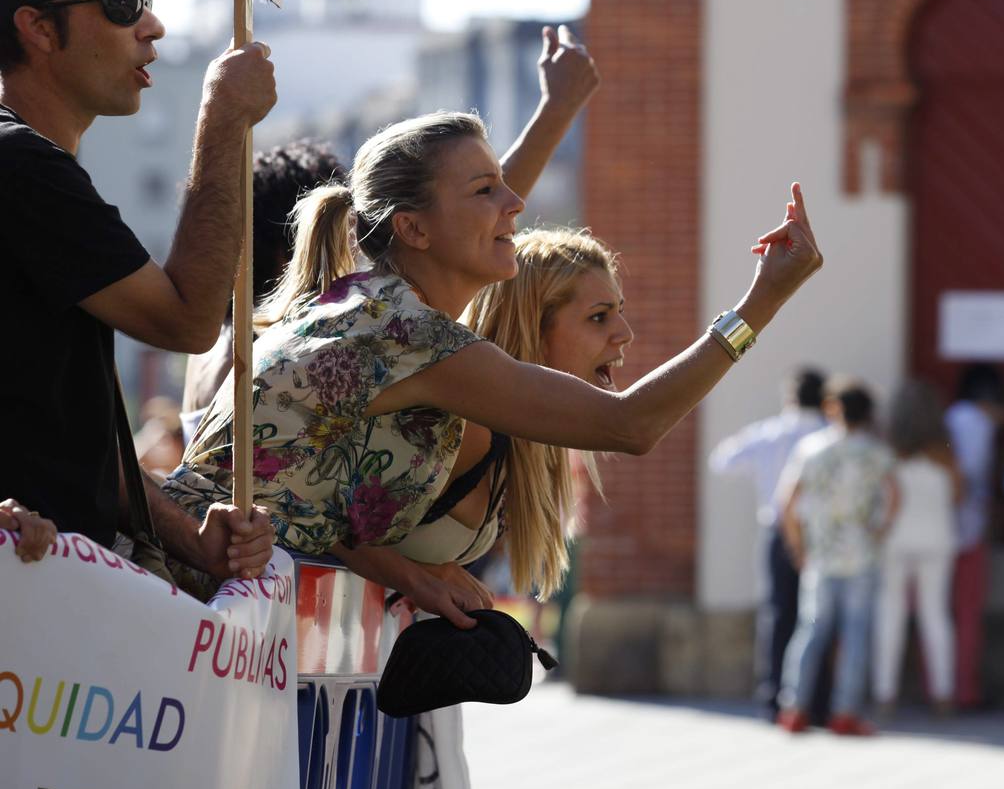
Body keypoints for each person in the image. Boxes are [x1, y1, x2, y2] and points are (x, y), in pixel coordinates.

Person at [159, 103, 823, 622]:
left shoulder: (367, 304)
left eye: (506, 186)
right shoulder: (405, 332)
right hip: (180, 600)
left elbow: (302, 503)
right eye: (485, 190)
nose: (515, 205)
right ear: (413, 230)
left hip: (198, 599)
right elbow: (631, 426)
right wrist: (763, 299)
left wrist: (406, 574)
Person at [0, 0, 275, 580]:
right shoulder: (20, 166)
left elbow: (76, 439)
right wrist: (225, 117)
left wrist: (190, 536)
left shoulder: (36, 168)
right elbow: (190, 320)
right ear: (40, 29)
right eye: (123, 6)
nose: (153, 26)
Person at [179, 139, 348, 443]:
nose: (352, 253)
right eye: (335, 233)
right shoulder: (262, 355)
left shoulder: (217, 339)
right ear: (295, 245)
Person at [777, 378, 896, 736]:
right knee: (855, 635)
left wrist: (797, 545)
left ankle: (794, 708)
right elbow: (894, 496)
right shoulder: (877, 452)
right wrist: (878, 532)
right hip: (861, 552)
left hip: (821, 551)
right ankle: (845, 712)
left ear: (833, 408)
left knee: (810, 632)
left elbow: (787, 501)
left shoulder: (811, 448)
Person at [708, 368, 827, 716]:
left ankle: (775, 693)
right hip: (817, 533)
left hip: (776, 529)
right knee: (817, 615)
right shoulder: (825, 435)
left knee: (778, 612)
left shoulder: (770, 433)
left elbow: (723, 460)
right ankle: (814, 697)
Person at [874, 379, 960, 717]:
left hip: (894, 538)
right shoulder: (946, 454)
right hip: (937, 538)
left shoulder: (885, 452)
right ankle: (943, 695)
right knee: (935, 615)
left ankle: (885, 695)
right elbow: (957, 495)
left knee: (889, 614)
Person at [945, 362, 1004, 710]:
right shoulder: (979, 425)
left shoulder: (949, 417)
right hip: (969, 531)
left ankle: (939, 689)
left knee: (940, 615)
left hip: (939, 529)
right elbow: (973, 477)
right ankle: (965, 692)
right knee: (968, 616)